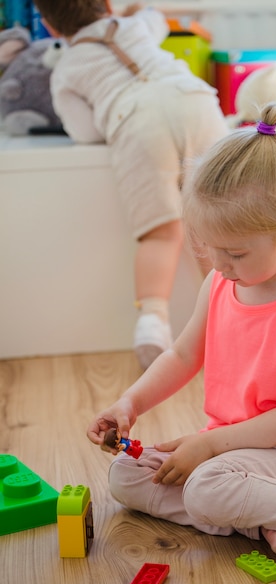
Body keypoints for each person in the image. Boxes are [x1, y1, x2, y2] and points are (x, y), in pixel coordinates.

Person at [87, 104, 276, 583]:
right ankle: (269, 520)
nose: (219, 264)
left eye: (234, 252)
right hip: (235, 449)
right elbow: (183, 354)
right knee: (126, 478)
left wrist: (208, 445)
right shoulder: (222, 281)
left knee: (207, 487)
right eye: (210, 247)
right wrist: (130, 402)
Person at [36, 0, 229, 369]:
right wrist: (134, 12)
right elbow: (155, 17)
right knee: (218, 218)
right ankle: (233, 311)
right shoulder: (137, 26)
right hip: (194, 100)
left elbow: (85, 131)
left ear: (50, 28)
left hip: (137, 120)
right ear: (108, 5)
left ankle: (153, 324)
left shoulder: (66, 69)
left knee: (162, 231)